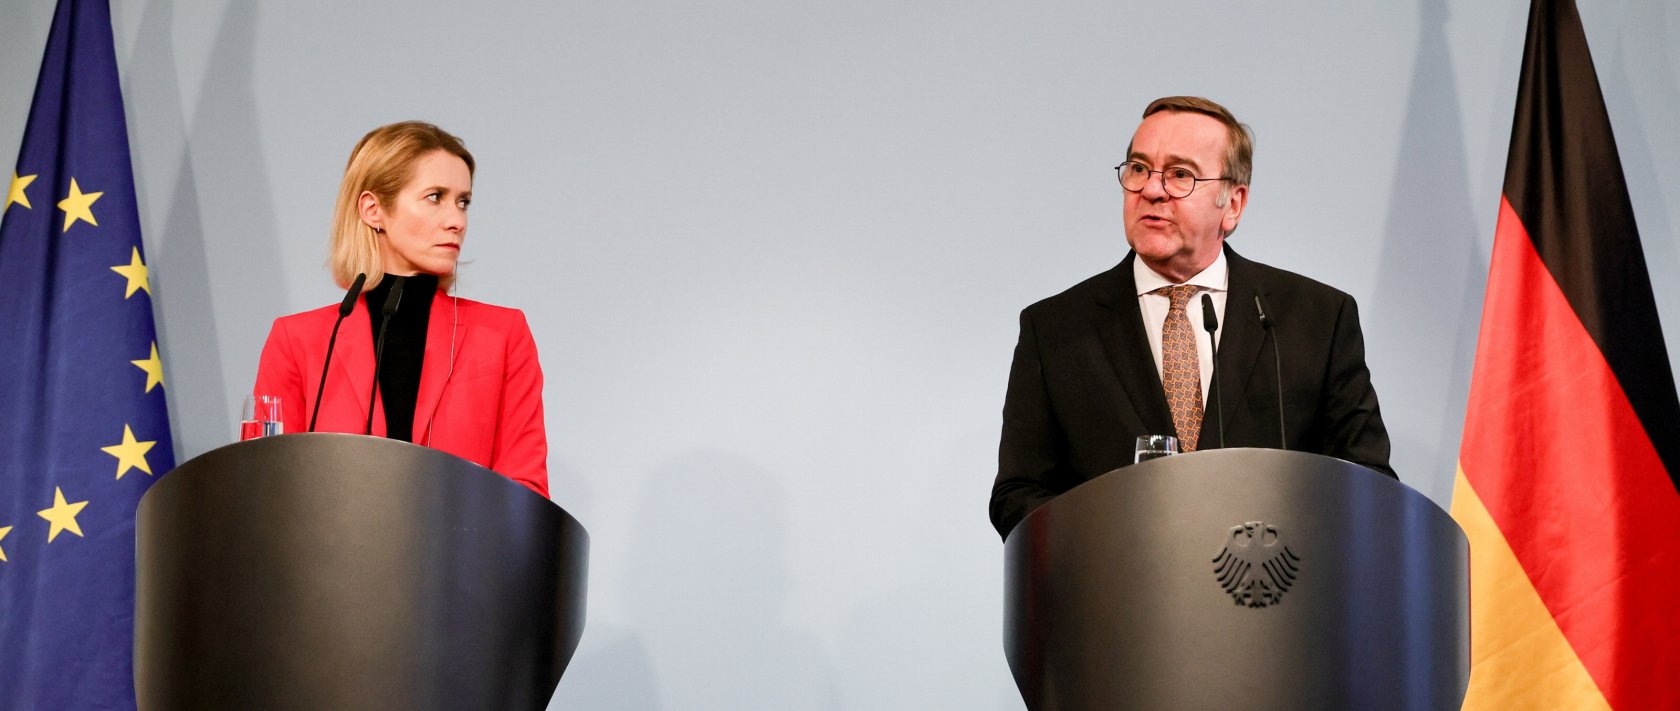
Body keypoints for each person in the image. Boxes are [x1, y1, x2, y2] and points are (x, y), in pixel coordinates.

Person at [989, 96, 1393, 539]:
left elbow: (1367, 483)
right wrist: (1109, 542)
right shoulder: (1055, 329)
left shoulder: (1315, 319)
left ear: (1233, 204)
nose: (1152, 189)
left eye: (1180, 174)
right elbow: (1018, 494)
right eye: (1139, 169)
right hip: (1117, 599)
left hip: (1271, 593)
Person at [253, 121, 548, 497]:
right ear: (373, 209)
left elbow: (526, 491)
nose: (457, 220)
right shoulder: (299, 341)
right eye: (435, 197)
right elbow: (265, 486)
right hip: (332, 554)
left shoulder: (503, 334)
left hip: (460, 553)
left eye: (463, 201)